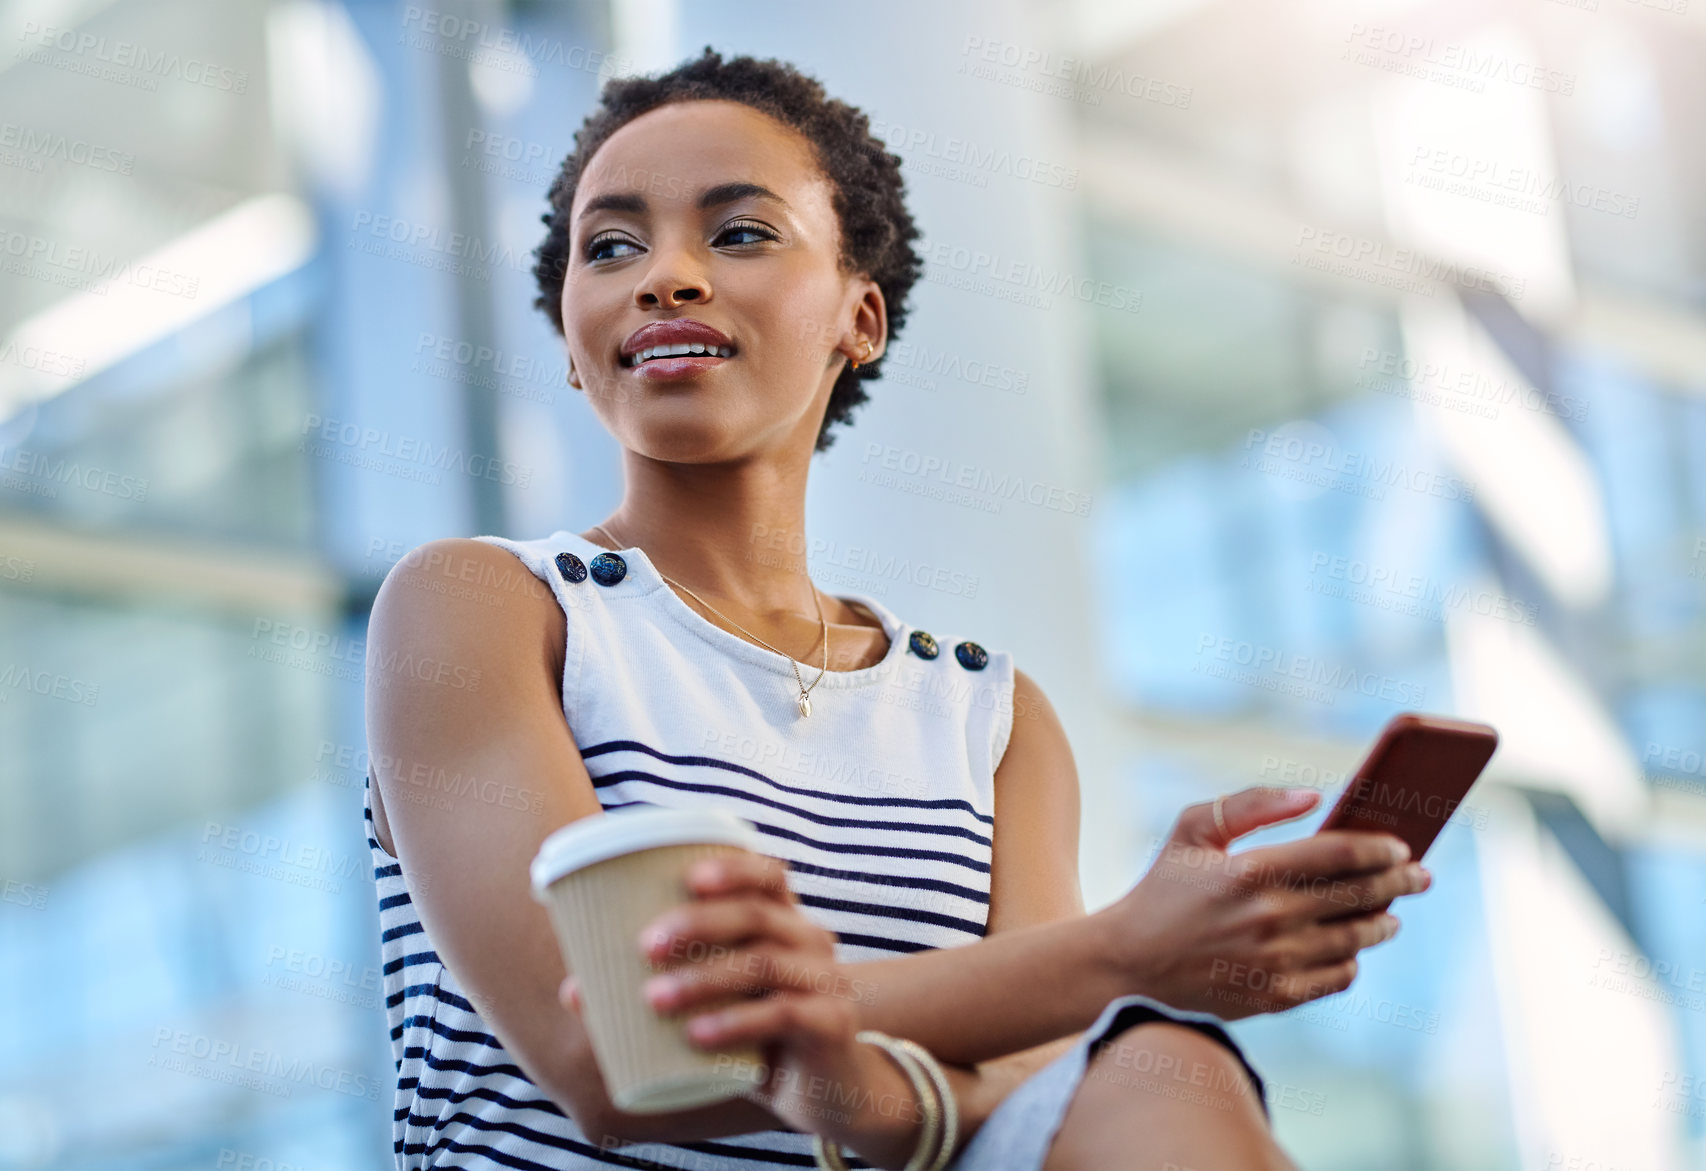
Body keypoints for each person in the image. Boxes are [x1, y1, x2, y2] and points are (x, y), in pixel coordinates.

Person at [362, 47, 1431, 1171]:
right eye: (611, 246)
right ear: (576, 351)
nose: (664, 275)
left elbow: (1024, 1079)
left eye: (738, 233)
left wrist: (854, 1087)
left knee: (1162, 1068)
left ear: (856, 318)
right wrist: (1126, 951)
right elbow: (613, 1058)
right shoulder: (482, 605)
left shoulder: (991, 714)